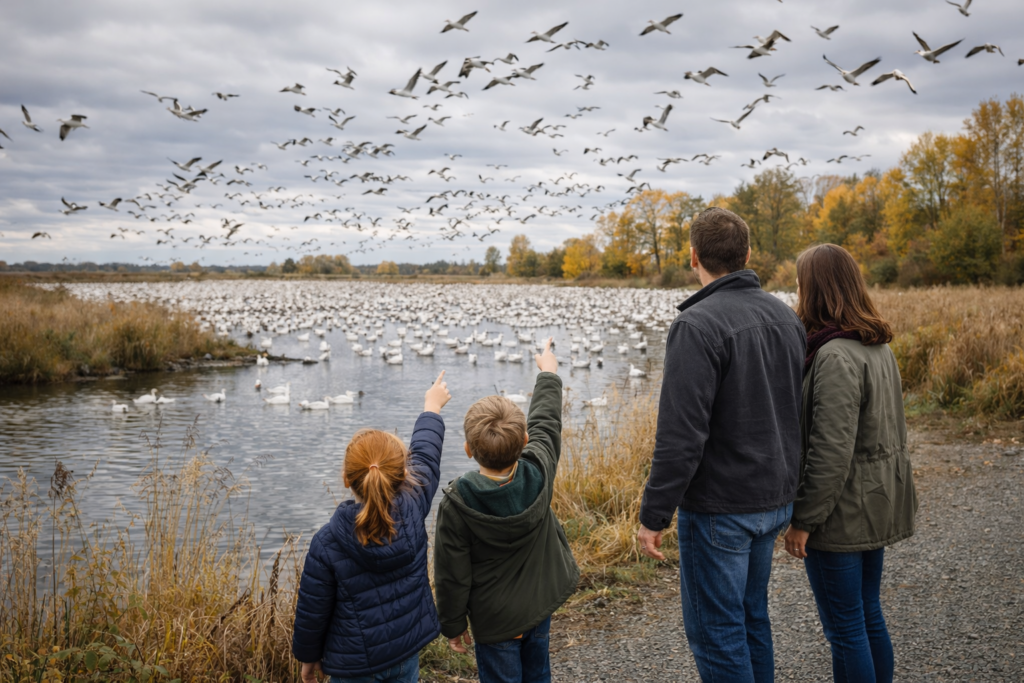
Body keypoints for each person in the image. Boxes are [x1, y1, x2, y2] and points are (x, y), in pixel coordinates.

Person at [637, 207, 806, 683]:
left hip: (722, 508)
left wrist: (654, 515)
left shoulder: (697, 325)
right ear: (747, 255)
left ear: (694, 257)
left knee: (718, 632)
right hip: (774, 499)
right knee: (752, 618)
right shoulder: (785, 317)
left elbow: (681, 435)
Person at [783, 244, 918, 683]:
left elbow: (831, 450)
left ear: (816, 289)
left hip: (843, 512)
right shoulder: (875, 345)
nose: (796, 291)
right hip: (875, 499)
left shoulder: (834, 354)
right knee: (866, 614)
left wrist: (804, 519)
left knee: (845, 628)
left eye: (800, 283)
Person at [292, 371, 452, 683]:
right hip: (405, 653)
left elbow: (314, 611)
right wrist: (431, 408)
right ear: (404, 474)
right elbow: (426, 454)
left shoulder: (327, 542)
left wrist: (308, 659)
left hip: (354, 665)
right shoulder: (413, 507)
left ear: (346, 479)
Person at [433, 338, 578, 683]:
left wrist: (453, 624)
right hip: (539, 604)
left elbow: (452, 574)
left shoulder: (458, 503)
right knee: (538, 675)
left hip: (495, 620)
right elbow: (546, 421)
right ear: (525, 441)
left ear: (468, 449)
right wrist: (548, 374)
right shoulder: (539, 469)